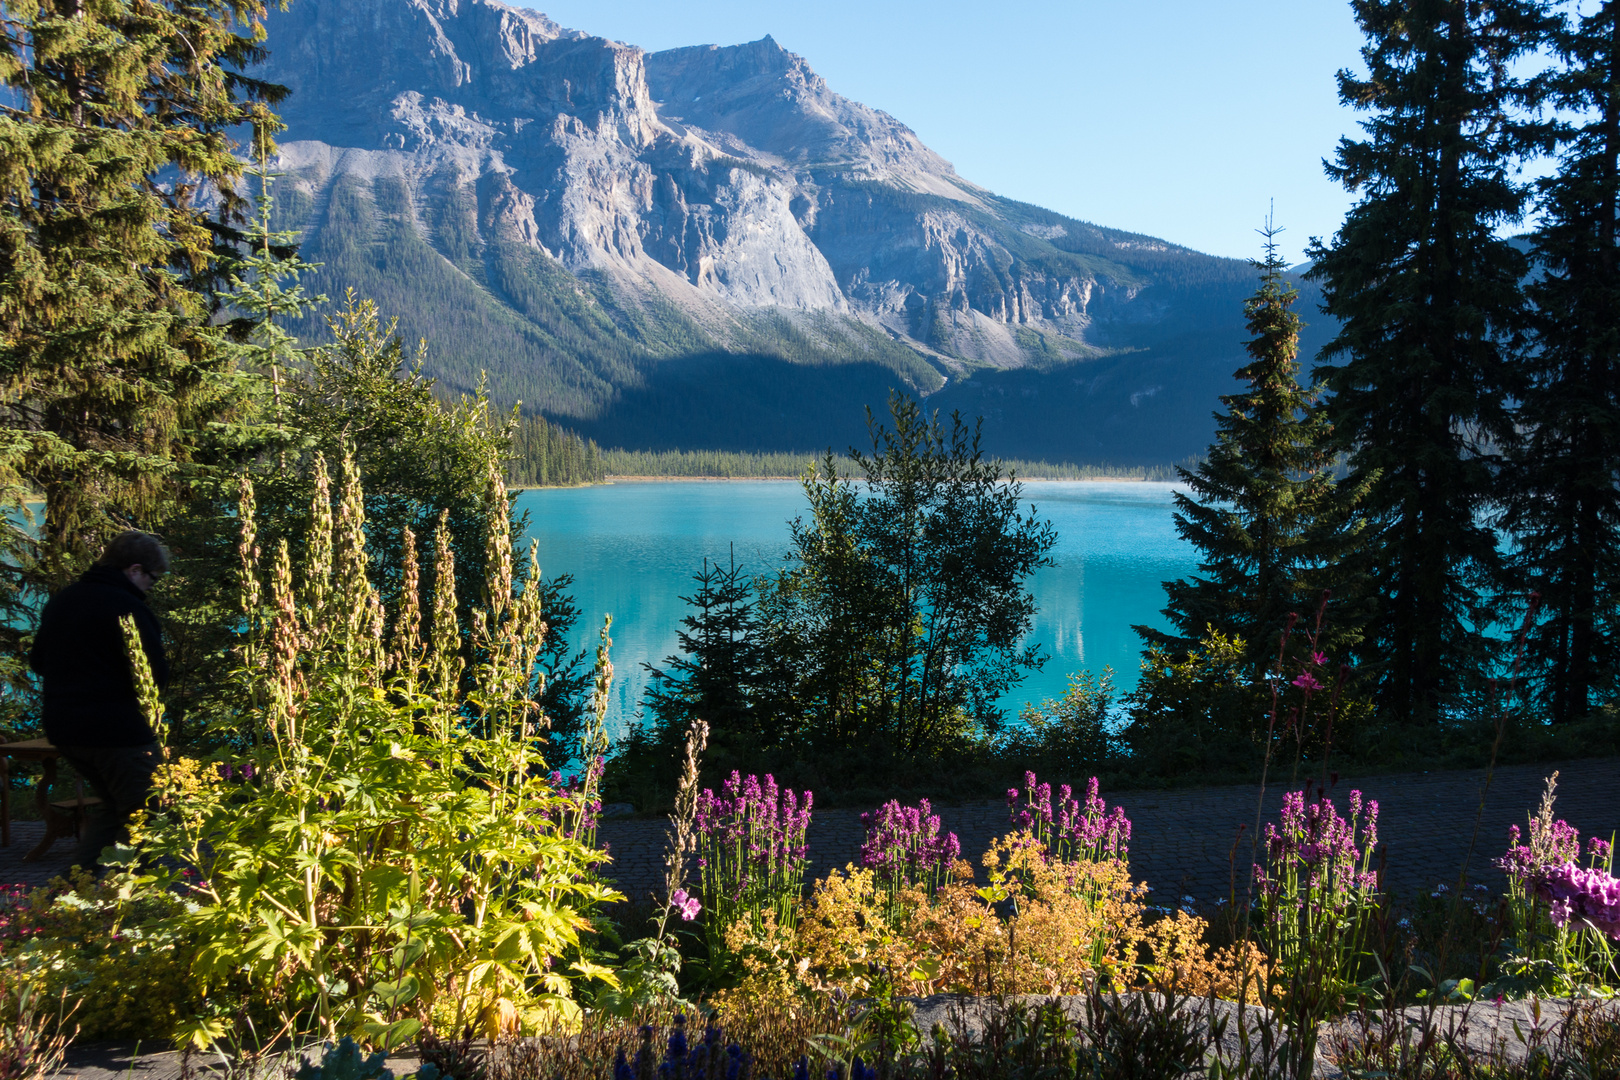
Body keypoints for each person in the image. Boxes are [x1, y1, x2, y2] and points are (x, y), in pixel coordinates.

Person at [27, 530, 170, 871]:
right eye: (153, 578)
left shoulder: (65, 599)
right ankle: (144, 902)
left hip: (66, 730)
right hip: (118, 733)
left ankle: (77, 893)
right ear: (134, 569)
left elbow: (38, 662)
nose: (152, 585)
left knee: (113, 807)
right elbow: (153, 675)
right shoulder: (127, 607)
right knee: (150, 813)